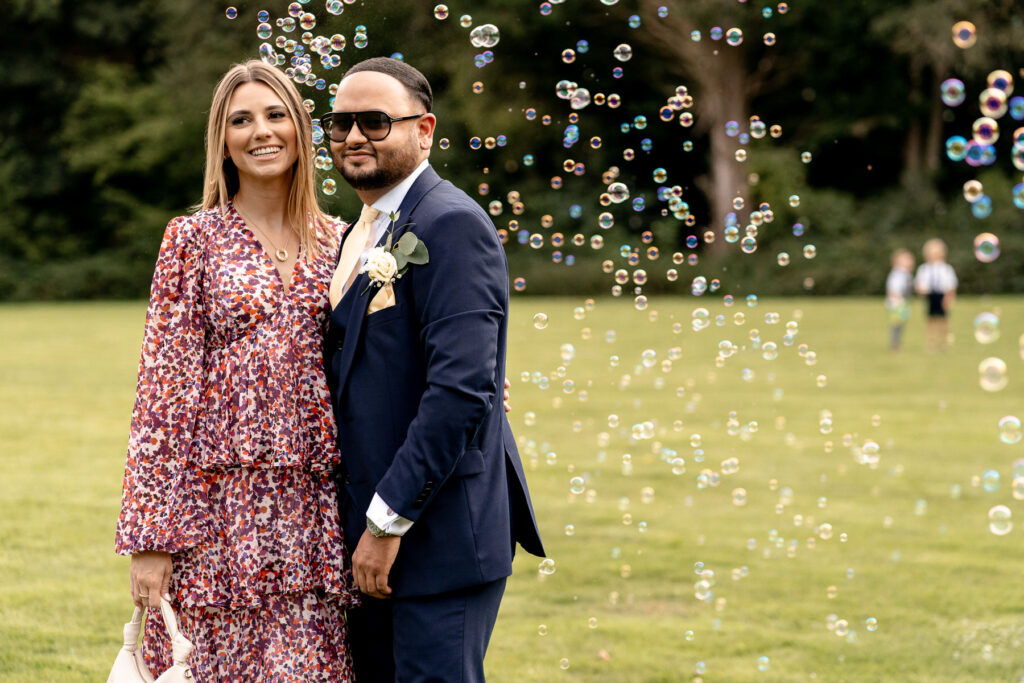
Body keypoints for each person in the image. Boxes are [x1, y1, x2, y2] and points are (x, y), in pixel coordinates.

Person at [115, 60, 359, 680]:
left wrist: (479, 385)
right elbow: (162, 393)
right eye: (241, 119)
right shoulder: (192, 239)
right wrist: (151, 538)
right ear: (221, 140)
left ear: (301, 128)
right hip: (215, 513)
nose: (261, 131)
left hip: (312, 509)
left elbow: (379, 360)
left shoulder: (343, 241)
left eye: (276, 114)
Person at [321, 57, 545, 682]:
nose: (355, 136)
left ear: (424, 131)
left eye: (375, 121)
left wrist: (385, 522)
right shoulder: (359, 235)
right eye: (341, 124)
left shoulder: (450, 224)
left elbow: (461, 392)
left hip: (435, 537)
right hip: (366, 539)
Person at [914, 237, 958, 352]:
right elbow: (918, 284)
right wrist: (921, 290)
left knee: (944, 321)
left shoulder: (946, 269)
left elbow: (951, 285)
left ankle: (944, 342)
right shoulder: (923, 269)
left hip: (942, 295)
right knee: (931, 320)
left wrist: (949, 298)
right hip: (930, 296)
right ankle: (931, 343)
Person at [885, 248, 914, 350]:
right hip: (897, 304)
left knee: (901, 324)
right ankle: (895, 344)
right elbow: (892, 290)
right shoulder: (897, 274)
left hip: (903, 303)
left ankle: (897, 343)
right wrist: (899, 300)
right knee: (897, 324)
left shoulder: (906, 274)